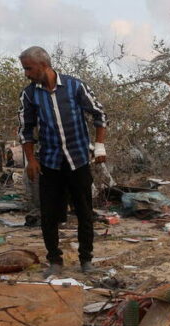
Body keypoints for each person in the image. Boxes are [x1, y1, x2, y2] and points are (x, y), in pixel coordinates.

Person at [17, 46, 108, 275]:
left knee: (84, 212)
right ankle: (55, 261)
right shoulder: (29, 94)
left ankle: (86, 259)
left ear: (43, 65)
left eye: (29, 68)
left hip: (78, 159)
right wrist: (31, 160)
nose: (26, 73)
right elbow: (26, 130)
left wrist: (99, 146)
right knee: (48, 215)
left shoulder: (75, 87)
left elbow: (99, 114)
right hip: (50, 162)